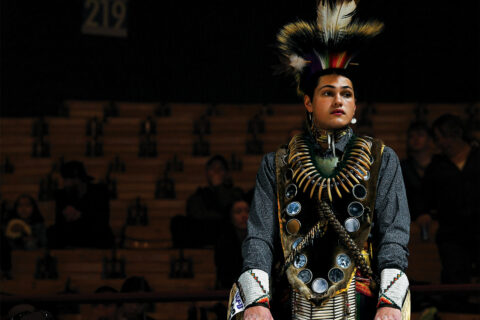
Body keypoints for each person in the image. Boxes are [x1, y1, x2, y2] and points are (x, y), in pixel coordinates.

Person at [229, 2, 410, 319]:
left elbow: (395, 235)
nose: (339, 99)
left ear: (355, 106)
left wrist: (390, 302)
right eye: (328, 92)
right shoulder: (277, 163)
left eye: (347, 93)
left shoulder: (382, 158)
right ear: (309, 102)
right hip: (292, 302)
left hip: (363, 301)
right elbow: (259, 238)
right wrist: (257, 303)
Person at [420, 114, 480, 288]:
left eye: (441, 138)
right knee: (454, 277)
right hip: (452, 232)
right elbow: (424, 195)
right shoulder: (438, 165)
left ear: (454, 135)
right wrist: (423, 212)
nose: (439, 144)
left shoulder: (477, 157)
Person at [171, 155, 243, 247]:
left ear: (226, 173)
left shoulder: (235, 193)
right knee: (178, 221)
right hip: (204, 230)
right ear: (207, 173)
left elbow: (231, 212)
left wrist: (219, 188)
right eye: (213, 169)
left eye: (220, 169)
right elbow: (195, 214)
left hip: (224, 231)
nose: (216, 172)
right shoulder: (199, 195)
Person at [47, 161, 114, 249]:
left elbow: (102, 219)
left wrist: (80, 215)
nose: (65, 184)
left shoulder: (99, 192)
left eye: (67, 180)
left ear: (77, 179)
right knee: (52, 232)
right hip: (72, 232)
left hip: (93, 232)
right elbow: (60, 221)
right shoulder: (62, 195)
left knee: (104, 234)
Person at [400, 121, 433, 223]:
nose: (416, 139)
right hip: (410, 221)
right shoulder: (403, 167)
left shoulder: (440, 165)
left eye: (420, 135)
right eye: (411, 136)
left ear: (429, 139)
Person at [215, 196, 250, 289]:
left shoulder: (259, 238)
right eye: (238, 212)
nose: (244, 216)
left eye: (247, 211)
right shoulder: (224, 241)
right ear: (230, 216)